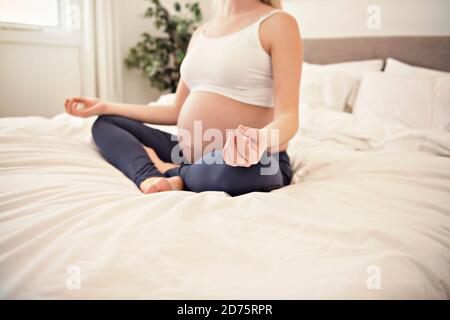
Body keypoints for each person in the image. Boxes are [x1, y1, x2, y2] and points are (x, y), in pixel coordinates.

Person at [65, 0, 302, 196]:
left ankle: (172, 173)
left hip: (247, 159)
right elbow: (176, 110)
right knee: (107, 123)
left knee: (259, 171)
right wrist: (106, 106)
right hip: (187, 152)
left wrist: (258, 140)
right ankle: (155, 176)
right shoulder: (201, 33)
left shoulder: (278, 24)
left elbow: (288, 117)